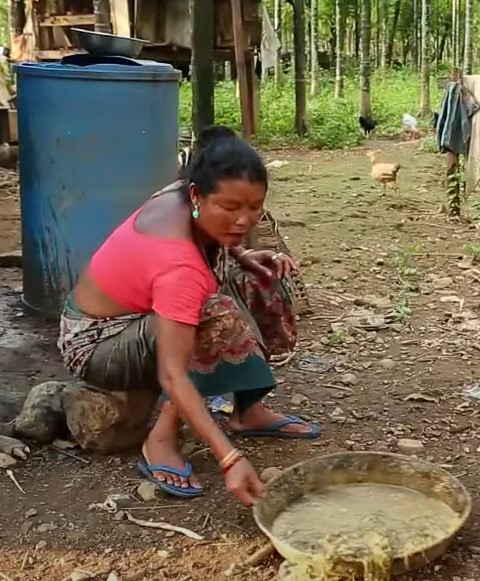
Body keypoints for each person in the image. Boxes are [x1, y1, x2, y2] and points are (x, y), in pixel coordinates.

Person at [57, 125, 320, 505]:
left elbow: (216, 239)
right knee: (213, 314)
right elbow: (172, 372)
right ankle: (160, 440)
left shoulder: (185, 193)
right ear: (198, 195)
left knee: (261, 280)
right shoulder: (178, 265)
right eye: (230, 208)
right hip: (96, 340)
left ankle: (248, 411)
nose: (244, 221)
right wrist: (229, 458)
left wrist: (247, 258)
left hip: (140, 314)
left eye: (254, 206)